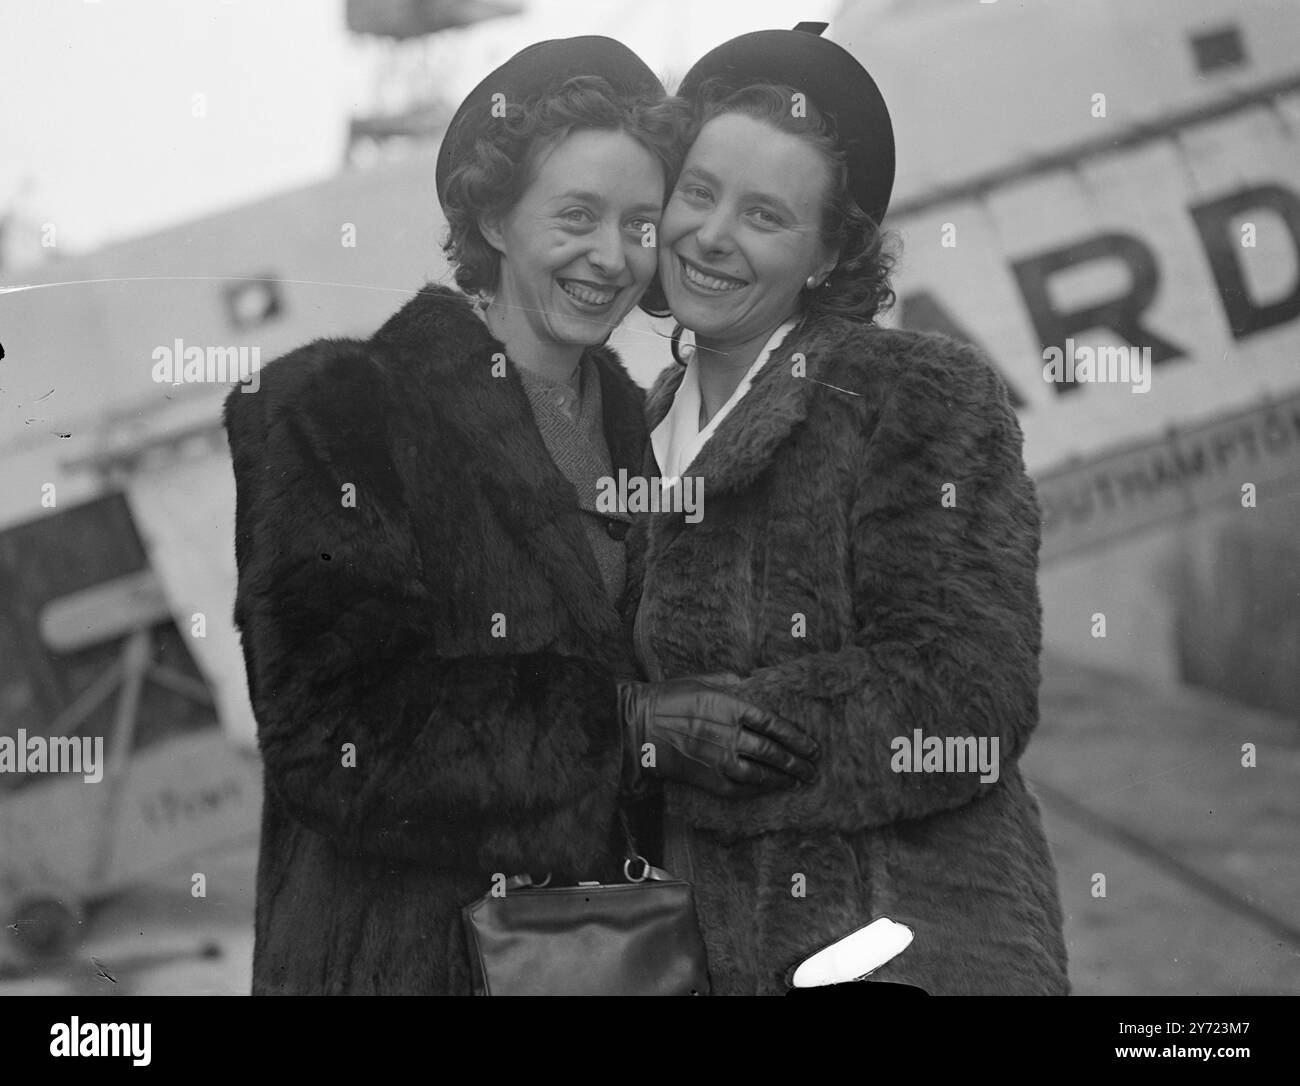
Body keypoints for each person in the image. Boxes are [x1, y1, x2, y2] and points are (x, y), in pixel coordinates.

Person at [222, 36, 751, 995]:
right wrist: (623, 723)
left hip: (620, 962)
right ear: (496, 216)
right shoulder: (337, 409)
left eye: (640, 223)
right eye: (577, 216)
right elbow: (334, 736)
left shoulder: (661, 430)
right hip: (404, 966)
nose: (612, 257)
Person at [621, 25, 1071, 995]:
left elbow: (964, 697)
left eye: (764, 216)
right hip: (714, 954)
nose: (710, 235)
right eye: (696, 194)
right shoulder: (639, 424)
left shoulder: (914, 391)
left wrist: (710, 739)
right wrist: (639, 728)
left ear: (827, 253)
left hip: (908, 949)